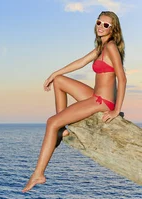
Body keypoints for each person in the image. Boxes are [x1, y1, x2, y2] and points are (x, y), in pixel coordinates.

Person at [22, 11, 126, 193]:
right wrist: (53, 74)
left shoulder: (111, 47)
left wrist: (117, 110)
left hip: (102, 102)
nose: (101, 27)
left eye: (106, 25)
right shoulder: (100, 48)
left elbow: (122, 78)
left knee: (51, 122)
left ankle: (38, 173)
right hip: (94, 95)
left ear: (113, 28)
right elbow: (81, 62)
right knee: (60, 80)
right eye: (99, 22)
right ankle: (61, 129)